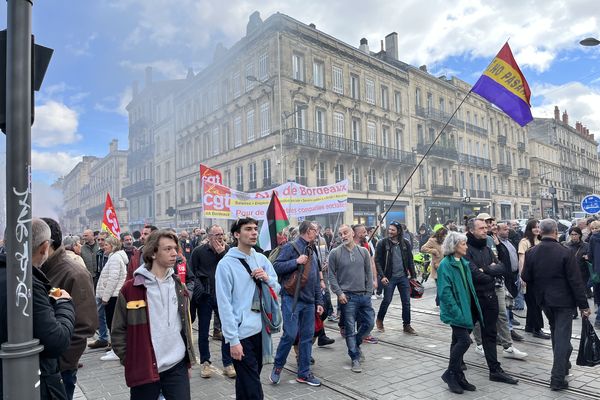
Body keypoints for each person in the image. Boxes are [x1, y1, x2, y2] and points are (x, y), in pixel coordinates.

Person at [111, 230, 196, 399]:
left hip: (177, 366)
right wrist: (131, 359)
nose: (174, 253)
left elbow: (185, 325)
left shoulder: (178, 285)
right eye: (168, 249)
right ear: (153, 253)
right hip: (144, 368)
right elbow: (118, 331)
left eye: (175, 248)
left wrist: (187, 360)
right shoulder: (132, 288)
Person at [0, 218, 76, 400]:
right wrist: (64, 304)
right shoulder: (26, 284)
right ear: (44, 247)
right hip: (33, 380)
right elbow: (56, 340)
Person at [522, 219, 591, 391]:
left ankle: (563, 363)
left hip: (545, 301)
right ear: (555, 232)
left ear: (541, 232)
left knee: (557, 334)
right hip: (564, 302)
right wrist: (584, 306)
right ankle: (557, 378)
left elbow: (526, 276)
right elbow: (576, 282)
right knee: (561, 337)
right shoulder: (565, 252)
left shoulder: (532, 252)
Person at [216, 217, 280, 400]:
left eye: (255, 229)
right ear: (236, 234)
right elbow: (224, 304)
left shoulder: (261, 259)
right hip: (241, 333)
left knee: (247, 381)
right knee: (252, 386)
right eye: (248, 229)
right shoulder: (226, 264)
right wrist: (233, 339)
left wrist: (266, 278)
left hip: (261, 331)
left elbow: (277, 289)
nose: (254, 232)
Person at [40, 217, 98, 400]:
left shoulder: (75, 273)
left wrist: (61, 362)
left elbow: (85, 325)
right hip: (45, 364)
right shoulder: (41, 267)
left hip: (59, 368)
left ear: (46, 244)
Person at [464, 218, 518, 385]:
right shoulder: (466, 248)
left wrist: (486, 269)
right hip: (473, 299)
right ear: (471, 230)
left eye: (485, 227)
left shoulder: (487, 248)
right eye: (481, 228)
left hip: (489, 297)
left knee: (490, 335)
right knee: (462, 333)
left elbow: (502, 267)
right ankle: (456, 364)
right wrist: (490, 271)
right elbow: (474, 275)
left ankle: (494, 370)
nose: (485, 230)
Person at [270, 220, 324, 387]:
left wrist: (319, 301)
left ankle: (304, 373)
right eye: (315, 230)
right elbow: (276, 267)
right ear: (308, 231)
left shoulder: (312, 249)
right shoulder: (290, 247)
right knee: (290, 334)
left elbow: (314, 277)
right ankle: (278, 366)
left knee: (307, 337)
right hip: (291, 299)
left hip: (309, 302)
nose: (317, 233)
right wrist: (296, 262)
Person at [437, 231, 482, 393]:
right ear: (454, 246)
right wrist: (457, 312)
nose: (466, 246)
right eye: (463, 244)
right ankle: (450, 374)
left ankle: (458, 376)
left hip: (467, 309)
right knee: (464, 342)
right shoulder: (445, 265)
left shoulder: (463, 262)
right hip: (456, 312)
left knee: (456, 342)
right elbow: (445, 293)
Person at [328, 224, 374, 373]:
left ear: (352, 233)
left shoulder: (363, 252)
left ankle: (356, 342)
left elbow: (369, 273)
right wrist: (339, 293)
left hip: (363, 296)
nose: (343, 236)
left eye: (346, 233)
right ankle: (354, 357)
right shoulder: (335, 253)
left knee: (369, 323)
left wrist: (368, 293)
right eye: (340, 234)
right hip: (347, 298)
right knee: (349, 328)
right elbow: (331, 276)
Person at [190, 224, 234, 378]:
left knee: (227, 330)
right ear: (208, 236)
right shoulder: (198, 252)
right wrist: (199, 291)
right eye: (216, 234)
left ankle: (227, 363)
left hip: (223, 296)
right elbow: (192, 273)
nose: (220, 237)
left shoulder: (228, 251)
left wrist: (222, 253)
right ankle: (205, 363)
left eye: (221, 234)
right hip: (205, 296)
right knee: (203, 331)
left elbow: (232, 269)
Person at [375, 221, 418, 335]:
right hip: (389, 277)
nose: (390, 231)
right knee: (387, 300)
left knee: (406, 302)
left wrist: (413, 275)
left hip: (403, 277)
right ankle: (379, 320)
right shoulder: (382, 243)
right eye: (389, 229)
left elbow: (410, 260)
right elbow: (377, 261)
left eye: (393, 230)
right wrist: (382, 276)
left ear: (398, 231)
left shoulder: (406, 243)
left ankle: (407, 325)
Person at [95, 235, 128, 361]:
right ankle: (115, 348)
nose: (104, 247)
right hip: (113, 295)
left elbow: (112, 279)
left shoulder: (115, 258)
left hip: (113, 296)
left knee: (113, 324)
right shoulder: (115, 257)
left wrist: (105, 297)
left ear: (112, 246)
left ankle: (117, 350)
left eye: (107, 245)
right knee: (112, 323)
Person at [518, 219, 550, 339]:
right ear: (529, 229)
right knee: (534, 304)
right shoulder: (524, 241)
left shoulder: (541, 240)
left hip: (539, 277)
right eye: (534, 227)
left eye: (538, 227)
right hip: (529, 277)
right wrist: (522, 276)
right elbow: (521, 259)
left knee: (534, 303)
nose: (537, 229)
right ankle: (537, 329)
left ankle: (529, 326)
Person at [420, 226, 448, 306]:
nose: (445, 236)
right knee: (440, 285)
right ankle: (440, 302)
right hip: (437, 266)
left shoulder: (445, 241)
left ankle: (438, 301)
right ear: (440, 234)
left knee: (443, 285)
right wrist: (433, 251)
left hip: (445, 265)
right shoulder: (433, 240)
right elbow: (423, 248)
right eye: (444, 235)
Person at [565, 227, 591, 300]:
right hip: (571, 272)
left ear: (579, 235)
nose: (573, 236)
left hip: (584, 272)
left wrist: (588, 257)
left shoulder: (586, 245)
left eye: (575, 234)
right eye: (571, 234)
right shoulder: (566, 246)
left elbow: (591, 257)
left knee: (585, 294)